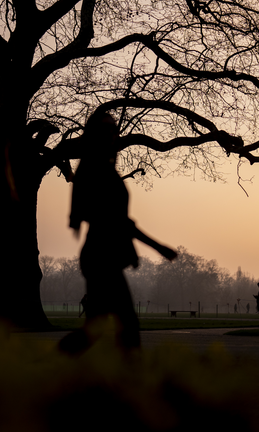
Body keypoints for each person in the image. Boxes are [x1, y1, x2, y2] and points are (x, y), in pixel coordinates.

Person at [58, 112, 177, 354]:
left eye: (114, 129)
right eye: (105, 129)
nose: (112, 134)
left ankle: (52, 366)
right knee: (126, 323)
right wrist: (157, 246)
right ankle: (128, 378)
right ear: (93, 134)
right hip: (101, 257)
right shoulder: (95, 170)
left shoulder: (101, 168)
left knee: (98, 327)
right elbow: (117, 222)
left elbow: (118, 222)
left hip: (102, 256)